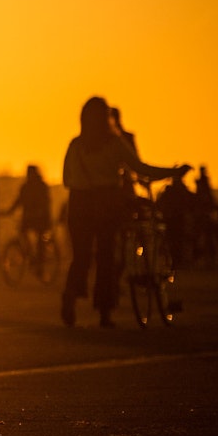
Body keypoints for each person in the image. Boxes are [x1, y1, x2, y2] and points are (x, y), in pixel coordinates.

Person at [62, 97, 186, 327]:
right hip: (107, 203)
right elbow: (141, 168)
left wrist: (85, 184)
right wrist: (172, 172)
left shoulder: (75, 145)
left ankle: (70, 298)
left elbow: (65, 178)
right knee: (106, 256)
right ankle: (104, 312)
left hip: (79, 203)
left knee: (81, 257)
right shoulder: (114, 144)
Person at [1, 165, 54, 276]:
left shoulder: (41, 186)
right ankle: (30, 255)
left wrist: (39, 212)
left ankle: (40, 263)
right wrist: (7, 212)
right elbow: (18, 201)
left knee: (40, 238)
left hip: (41, 218)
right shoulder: (25, 187)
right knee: (22, 233)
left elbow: (45, 203)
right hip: (28, 218)